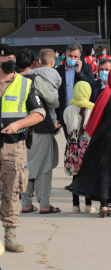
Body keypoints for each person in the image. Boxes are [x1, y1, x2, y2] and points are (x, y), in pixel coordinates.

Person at [66, 67, 111, 218]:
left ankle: (104, 206)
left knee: (105, 169)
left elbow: (97, 115)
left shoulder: (104, 94)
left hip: (104, 135)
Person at [0, 44, 45, 252]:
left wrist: (18, 124)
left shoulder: (25, 84)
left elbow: (39, 113)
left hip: (13, 146)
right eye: (5, 59)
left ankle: (10, 235)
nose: (10, 63)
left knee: (13, 191)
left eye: (12, 59)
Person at [17, 48, 60, 216]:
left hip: (18, 130)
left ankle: (26, 203)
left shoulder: (12, 80)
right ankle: (44, 204)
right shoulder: (35, 79)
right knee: (43, 166)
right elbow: (53, 101)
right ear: (33, 62)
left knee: (25, 165)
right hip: (39, 127)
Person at [64, 81, 96, 213]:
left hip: (73, 144)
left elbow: (67, 126)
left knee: (75, 175)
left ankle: (75, 206)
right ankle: (88, 205)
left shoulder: (68, 109)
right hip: (87, 144)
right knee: (88, 174)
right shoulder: (93, 108)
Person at [56, 43, 95, 138]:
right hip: (66, 111)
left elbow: (91, 85)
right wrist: (58, 117)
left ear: (79, 56)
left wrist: (79, 72)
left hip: (82, 110)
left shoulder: (86, 68)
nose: (72, 59)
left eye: (75, 56)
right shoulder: (59, 70)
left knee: (83, 142)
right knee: (71, 141)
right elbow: (56, 93)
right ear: (66, 54)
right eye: (70, 56)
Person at [20, 48, 62, 132]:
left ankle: (53, 125)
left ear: (40, 61)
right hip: (53, 94)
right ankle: (55, 126)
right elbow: (59, 82)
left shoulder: (37, 70)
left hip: (43, 94)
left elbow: (28, 72)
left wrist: (17, 75)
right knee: (52, 111)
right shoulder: (55, 72)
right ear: (52, 62)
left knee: (47, 110)